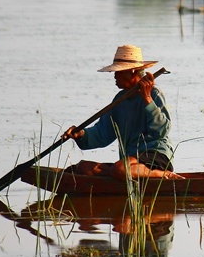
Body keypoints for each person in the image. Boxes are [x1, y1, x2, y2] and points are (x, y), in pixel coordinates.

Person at [62, 44, 181, 180]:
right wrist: (81, 134)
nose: (115, 76)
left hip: (155, 156)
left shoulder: (153, 93)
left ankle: (163, 175)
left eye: (118, 72)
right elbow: (103, 133)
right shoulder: (119, 100)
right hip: (131, 163)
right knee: (83, 167)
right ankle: (121, 174)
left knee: (121, 169)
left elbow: (162, 130)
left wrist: (147, 98)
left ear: (132, 72)